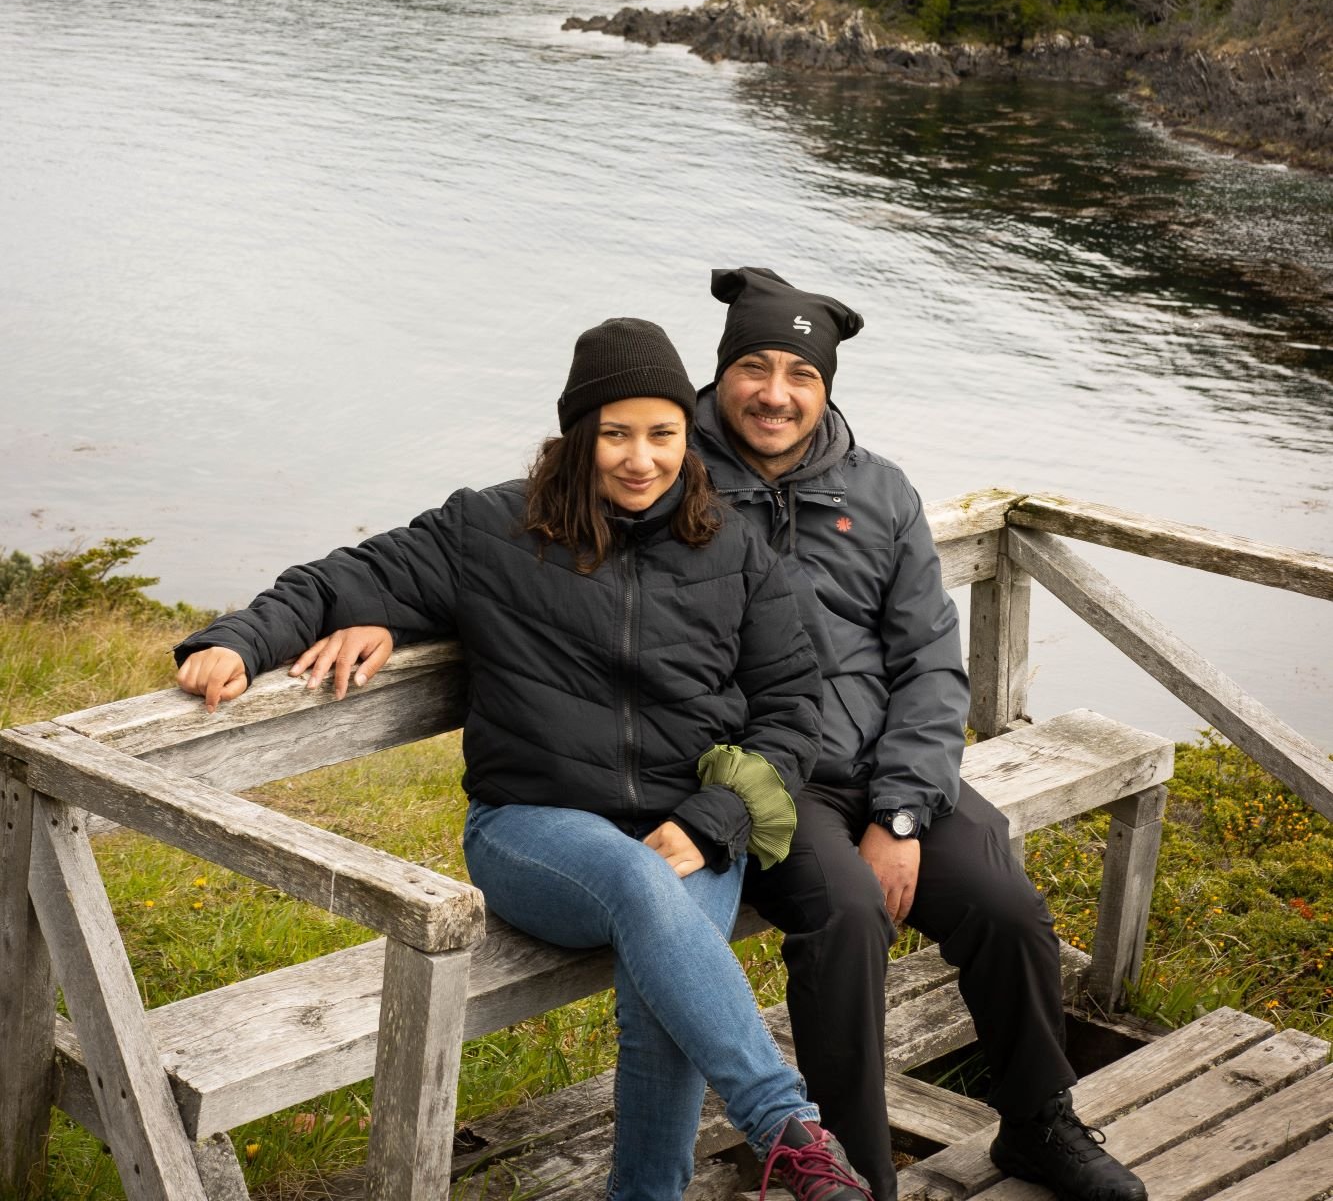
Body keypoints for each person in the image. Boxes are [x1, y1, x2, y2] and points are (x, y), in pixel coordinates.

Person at [175, 317, 875, 1201]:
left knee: (663, 991)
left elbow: (790, 710)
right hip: (533, 830)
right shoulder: (490, 530)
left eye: (661, 435)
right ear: (578, 436)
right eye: (615, 433)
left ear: (685, 439)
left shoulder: (733, 547)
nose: (640, 459)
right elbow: (330, 582)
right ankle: (790, 1133)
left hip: (685, 826)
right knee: (639, 890)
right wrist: (239, 640)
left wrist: (713, 820)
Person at [690, 267, 1148, 1201]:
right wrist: (357, 608)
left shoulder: (879, 490)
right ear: (720, 372)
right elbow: (493, 539)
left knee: (1004, 904)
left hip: (892, 762)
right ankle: (855, 1175)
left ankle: (1035, 1123)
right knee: (847, 914)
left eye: (799, 374)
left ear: (825, 387)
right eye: (754, 368)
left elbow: (932, 664)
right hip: (768, 770)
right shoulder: (669, 481)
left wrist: (899, 812)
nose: (775, 394)